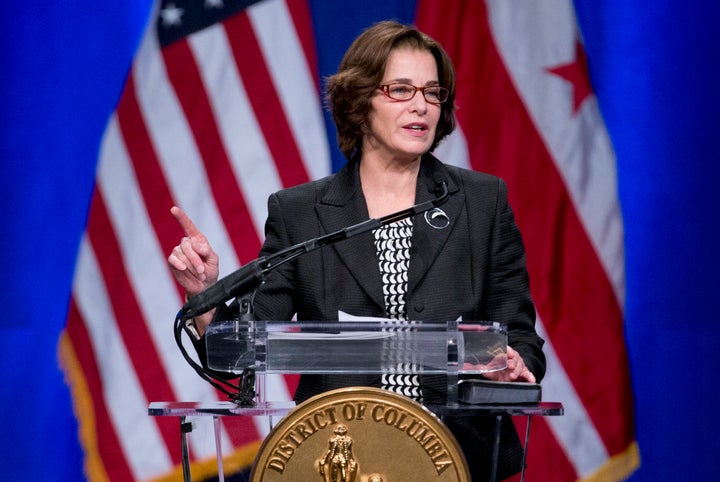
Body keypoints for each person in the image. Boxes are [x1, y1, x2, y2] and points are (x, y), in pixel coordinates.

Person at [168, 20, 545, 481]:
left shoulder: (482, 202)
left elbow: (521, 339)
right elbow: (244, 347)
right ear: (361, 100)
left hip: (458, 455)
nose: (421, 106)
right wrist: (204, 294)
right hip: (336, 455)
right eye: (401, 90)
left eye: (432, 92)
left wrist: (511, 365)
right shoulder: (301, 212)